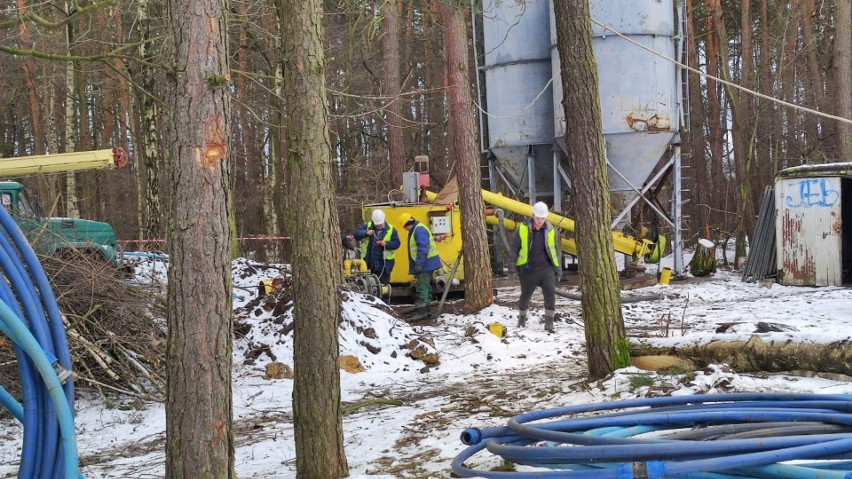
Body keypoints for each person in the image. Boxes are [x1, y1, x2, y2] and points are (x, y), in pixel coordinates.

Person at [510, 201, 561, 333]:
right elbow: (514, 249)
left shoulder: (550, 230)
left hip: (546, 269)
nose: (540, 221)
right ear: (533, 215)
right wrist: (512, 267)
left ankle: (549, 323)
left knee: (550, 293)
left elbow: (556, 250)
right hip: (528, 270)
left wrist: (558, 268)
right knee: (525, 296)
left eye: (543, 218)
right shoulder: (522, 229)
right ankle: (522, 318)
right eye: (538, 218)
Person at [398, 212, 441, 321]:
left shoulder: (419, 230)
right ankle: (427, 311)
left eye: (405, 227)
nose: (406, 230)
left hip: (425, 264)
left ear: (407, 224)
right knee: (426, 287)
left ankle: (421, 312)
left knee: (421, 287)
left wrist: (419, 263)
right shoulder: (419, 228)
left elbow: (423, 248)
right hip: (429, 263)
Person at [353, 209, 400, 285]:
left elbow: (397, 243)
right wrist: (366, 232)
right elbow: (356, 234)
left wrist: (386, 244)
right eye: (377, 224)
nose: (378, 225)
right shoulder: (368, 226)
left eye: (380, 224)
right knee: (369, 287)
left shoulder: (391, 229)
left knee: (383, 289)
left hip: (384, 267)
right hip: (369, 265)